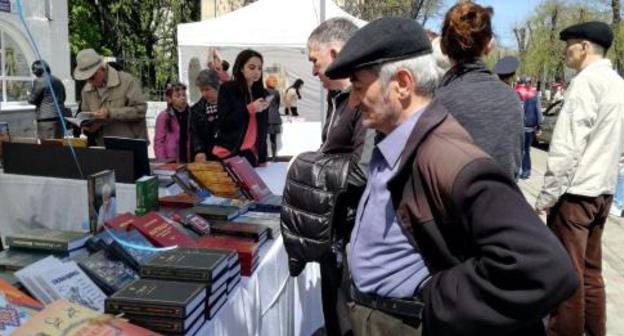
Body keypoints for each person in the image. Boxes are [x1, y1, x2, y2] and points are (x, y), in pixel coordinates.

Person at [324, 16, 578, 336]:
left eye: (359, 88)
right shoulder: (396, 139)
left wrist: (436, 300)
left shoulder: (446, 156)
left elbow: (543, 266)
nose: (355, 102)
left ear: (402, 83)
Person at [280, 17, 372, 336]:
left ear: (334, 53)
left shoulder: (363, 102)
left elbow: (363, 170)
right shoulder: (339, 101)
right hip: (333, 231)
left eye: (314, 61)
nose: (313, 71)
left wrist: (308, 168)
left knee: (345, 319)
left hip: (349, 234)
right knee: (333, 314)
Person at [534, 21, 624, 336]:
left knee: (566, 275)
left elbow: (567, 149)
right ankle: (594, 331)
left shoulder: (585, 83)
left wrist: (545, 197)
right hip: (602, 191)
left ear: (584, 47)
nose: (564, 51)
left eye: (569, 44)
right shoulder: (617, 83)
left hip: (575, 195)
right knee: (590, 273)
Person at [435, 3, 523, 181]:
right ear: (489, 45)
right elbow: (513, 167)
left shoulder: (435, 103)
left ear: (443, 47)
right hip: (501, 204)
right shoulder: (511, 99)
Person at [73, 48, 148, 146]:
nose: (90, 82)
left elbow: (141, 110)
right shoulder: (86, 90)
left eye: (92, 77)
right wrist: (91, 126)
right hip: (103, 146)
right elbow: (88, 117)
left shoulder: (126, 80)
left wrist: (110, 113)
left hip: (130, 144)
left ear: (102, 68)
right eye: (86, 79)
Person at [212, 49, 269, 167]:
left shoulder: (261, 93)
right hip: (230, 152)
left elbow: (263, 129)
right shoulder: (228, 88)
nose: (256, 72)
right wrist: (250, 109)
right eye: (252, 67)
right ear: (241, 68)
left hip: (251, 155)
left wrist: (263, 158)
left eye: (259, 68)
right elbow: (224, 122)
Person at [28, 60, 67, 140]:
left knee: (47, 148)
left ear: (37, 70)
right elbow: (63, 97)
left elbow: (32, 99)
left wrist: (28, 94)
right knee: (58, 147)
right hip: (60, 119)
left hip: (46, 120)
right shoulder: (58, 80)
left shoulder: (39, 80)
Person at [154, 82, 191, 162]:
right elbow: (159, 142)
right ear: (169, 99)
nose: (182, 98)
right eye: (178, 96)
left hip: (188, 157)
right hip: (171, 159)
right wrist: (162, 161)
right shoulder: (164, 117)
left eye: (184, 95)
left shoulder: (192, 114)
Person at [514, 76, 542, 179]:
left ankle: (517, 171)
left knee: (518, 149)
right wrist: (539, 126)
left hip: (518, 126)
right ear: (529, 83)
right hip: (529, 127)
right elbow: (538, 111)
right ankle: (526, 171)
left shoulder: (515, 92)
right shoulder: (534, 94)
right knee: (527, 149)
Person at [191, 69, 221, 162]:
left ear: (217, 87)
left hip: (227, 156)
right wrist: (199, 150)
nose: (204, 94)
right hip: (207, 157)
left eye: (207, 89)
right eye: (201, 90)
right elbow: (195, 133)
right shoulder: (196, 110)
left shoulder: (230, 105)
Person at [264, 75, 282, 160]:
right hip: (275, 117)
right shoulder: (276, 92)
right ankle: (274, 156)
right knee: (273, 138)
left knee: (263, 138)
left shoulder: (264, 91)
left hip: (266, 117)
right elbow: (278, 104)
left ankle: (265, 156)